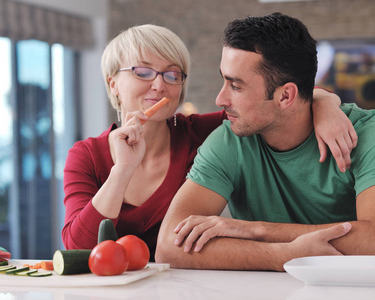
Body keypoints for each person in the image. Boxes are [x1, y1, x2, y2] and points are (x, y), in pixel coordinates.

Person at [62, 24, 357, 260]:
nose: (159, 84)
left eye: (172, 74)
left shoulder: (205, 132)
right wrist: (123, 169)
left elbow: (278, 103)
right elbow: (79, 246)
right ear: (113, 82)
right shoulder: (86, 155)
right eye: (143, 71)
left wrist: (325, 103)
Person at [155, 13, 375, 271]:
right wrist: (285, 254)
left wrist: (253, 230)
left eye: (236, 86)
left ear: (285, 96)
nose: (220, 99)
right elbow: (169, 247)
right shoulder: (229, 141)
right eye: (223, 80)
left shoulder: (365, 135)